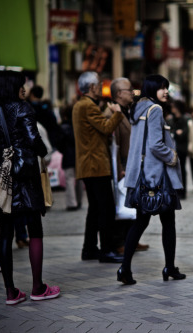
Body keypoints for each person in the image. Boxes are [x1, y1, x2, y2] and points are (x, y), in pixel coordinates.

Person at [0, 71, 60, 305]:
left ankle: (11, 292)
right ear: (14, 86)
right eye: (22, 84)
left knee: (6, 233)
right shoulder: (23, 108)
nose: (25, 88)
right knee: (34, 228)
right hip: (25, 177)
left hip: (3, 179)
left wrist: (3, 152)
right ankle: (38, 287)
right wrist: (41, 150)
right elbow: (34, 140)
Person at [117, 74, 186, 285]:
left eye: (167, 87)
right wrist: (172, 156)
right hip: (156, 176)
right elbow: (156, 145)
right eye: (162, 88)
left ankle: (125, 268)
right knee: (168, 223)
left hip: (141, 175)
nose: (166, 91)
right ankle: (169, 268)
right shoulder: (155, 110)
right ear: (151, 89)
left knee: (140, 222)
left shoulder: (138, 109)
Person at [73, 71, 124, 263]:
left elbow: (97, 128)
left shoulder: (80, 105)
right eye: (98, 84)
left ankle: (90, 249)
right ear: (92, 87)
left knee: (94, 209)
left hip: (88, 165)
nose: (100, 87)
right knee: (106, 209)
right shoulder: (88, 106)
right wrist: (117, 113)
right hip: (96, 165)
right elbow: (106, 128)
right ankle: (106, 250)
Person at [106, 77, 149, 254]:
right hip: (122, 164)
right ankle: (121, 242)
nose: (132, 92)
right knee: (123, 204)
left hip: (131, 162)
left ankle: (133, 238)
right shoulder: (111, 114)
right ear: (118, 94)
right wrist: (118, 168)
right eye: (128, 89)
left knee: (134, 203)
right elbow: (112, 144)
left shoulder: (128, 110)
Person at [59, 105, 83, 211]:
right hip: (79, 155)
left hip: (68, 155)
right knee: (79, 180)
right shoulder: (79, 126)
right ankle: (79, 200)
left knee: (69, 179)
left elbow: (60, 143)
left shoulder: (63, 127)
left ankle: (72, 203)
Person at [28, 85, 61, 150]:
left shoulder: (29, 108)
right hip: (48, 141)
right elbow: (54, 124)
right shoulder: (46, 108)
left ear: (32, 94)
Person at [168, 100, 189, 199]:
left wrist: (176, 133)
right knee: (175, 169)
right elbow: (172, 132)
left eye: (174, 107)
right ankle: (177, 190)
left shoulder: (184, 119)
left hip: (181, 148)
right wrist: (177, 132)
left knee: (182, 170)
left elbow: (183, 134)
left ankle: (182, 191)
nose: (172, 109)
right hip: (173, 148)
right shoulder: (171, 119)